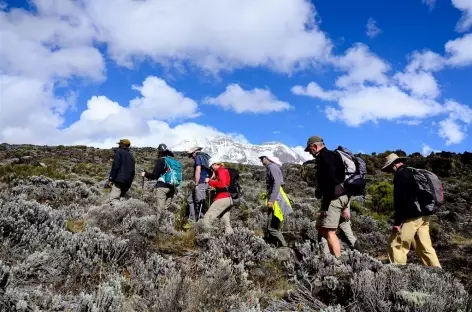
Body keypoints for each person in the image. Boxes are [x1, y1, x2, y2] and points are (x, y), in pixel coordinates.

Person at [381, 153, 441, 267]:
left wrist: (398, 222)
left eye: (389, 168)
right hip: (425, 215)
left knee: (397, 244)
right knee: (424, 246)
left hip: (412, 216)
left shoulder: (400, 174)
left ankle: (397, 273)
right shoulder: (412, 172)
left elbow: (400, 200)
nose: (390, 171)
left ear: (394, 164)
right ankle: (438, 272)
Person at [304, 135, 355, 258]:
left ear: (315, 146)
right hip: (344, 196)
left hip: (333, 198)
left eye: (310, 150)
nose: (310, 153)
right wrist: (345, 206)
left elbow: (329, 182)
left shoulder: (324, 158)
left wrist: (325, 206)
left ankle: (337, 262)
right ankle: (332, 254)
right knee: (322, 227)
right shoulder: (334, 155)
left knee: (329, 231)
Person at [259, 154, 293, 248]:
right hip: (276, 198)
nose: (261, 160)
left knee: (272, 227)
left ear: (267, 158)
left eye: (262, 158)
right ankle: (273, 245)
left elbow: (276, 184)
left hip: (276, 200)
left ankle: (284, 246)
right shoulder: (273, 167)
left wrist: (272, 200)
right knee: (274, 225)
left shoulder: (272, 167)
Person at [141, 143, 179, 214]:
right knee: (166, 210)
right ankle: (168, 224)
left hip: (162, 188)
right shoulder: (172, 161)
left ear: (160, 152)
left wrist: (145, 174)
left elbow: (154, 175)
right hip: (172, 188)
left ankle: (160, 224)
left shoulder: (161, 161)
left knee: (160, 211)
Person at [202, 157, 234, 234]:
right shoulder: (224, 170)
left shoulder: (221, 170)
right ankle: (230, 237)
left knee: (207, 218)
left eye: (211, 167)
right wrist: (214, 189)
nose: (211, 169)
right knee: (226, 222)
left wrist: (210, 181)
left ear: (214, 165)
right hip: (228, 199)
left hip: (222, 198)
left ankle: (206, 237)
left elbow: (222, 184)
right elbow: (225, 184)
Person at [186, 147, 212, 222]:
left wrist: (196, 184)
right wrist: (209, 180)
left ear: (195, 152)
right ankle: (192, 219)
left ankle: (201, 221)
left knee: (199, 202)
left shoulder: (198, 157)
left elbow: (198, 170)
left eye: (191, 155)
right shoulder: (207, 157)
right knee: (190, 199)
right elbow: (212, 172)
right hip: (205, 182)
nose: (192, 157)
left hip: (200, 183)